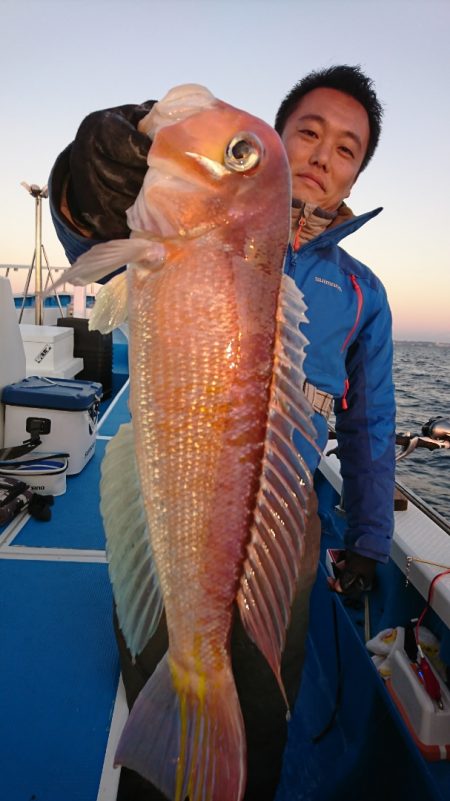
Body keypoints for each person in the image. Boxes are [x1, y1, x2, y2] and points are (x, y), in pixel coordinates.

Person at [48, 65, 395, 801]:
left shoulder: (362, 290)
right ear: (280, 136)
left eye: (346, 149)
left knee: (264, 699)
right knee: (156, 655)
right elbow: (86, 235)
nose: (323, 155)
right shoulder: (185, 212)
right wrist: (89, 172)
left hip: (286, 520)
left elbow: (370, 422)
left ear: (357, 172)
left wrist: (369, 537)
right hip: (171, 488)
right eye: (307, 132)